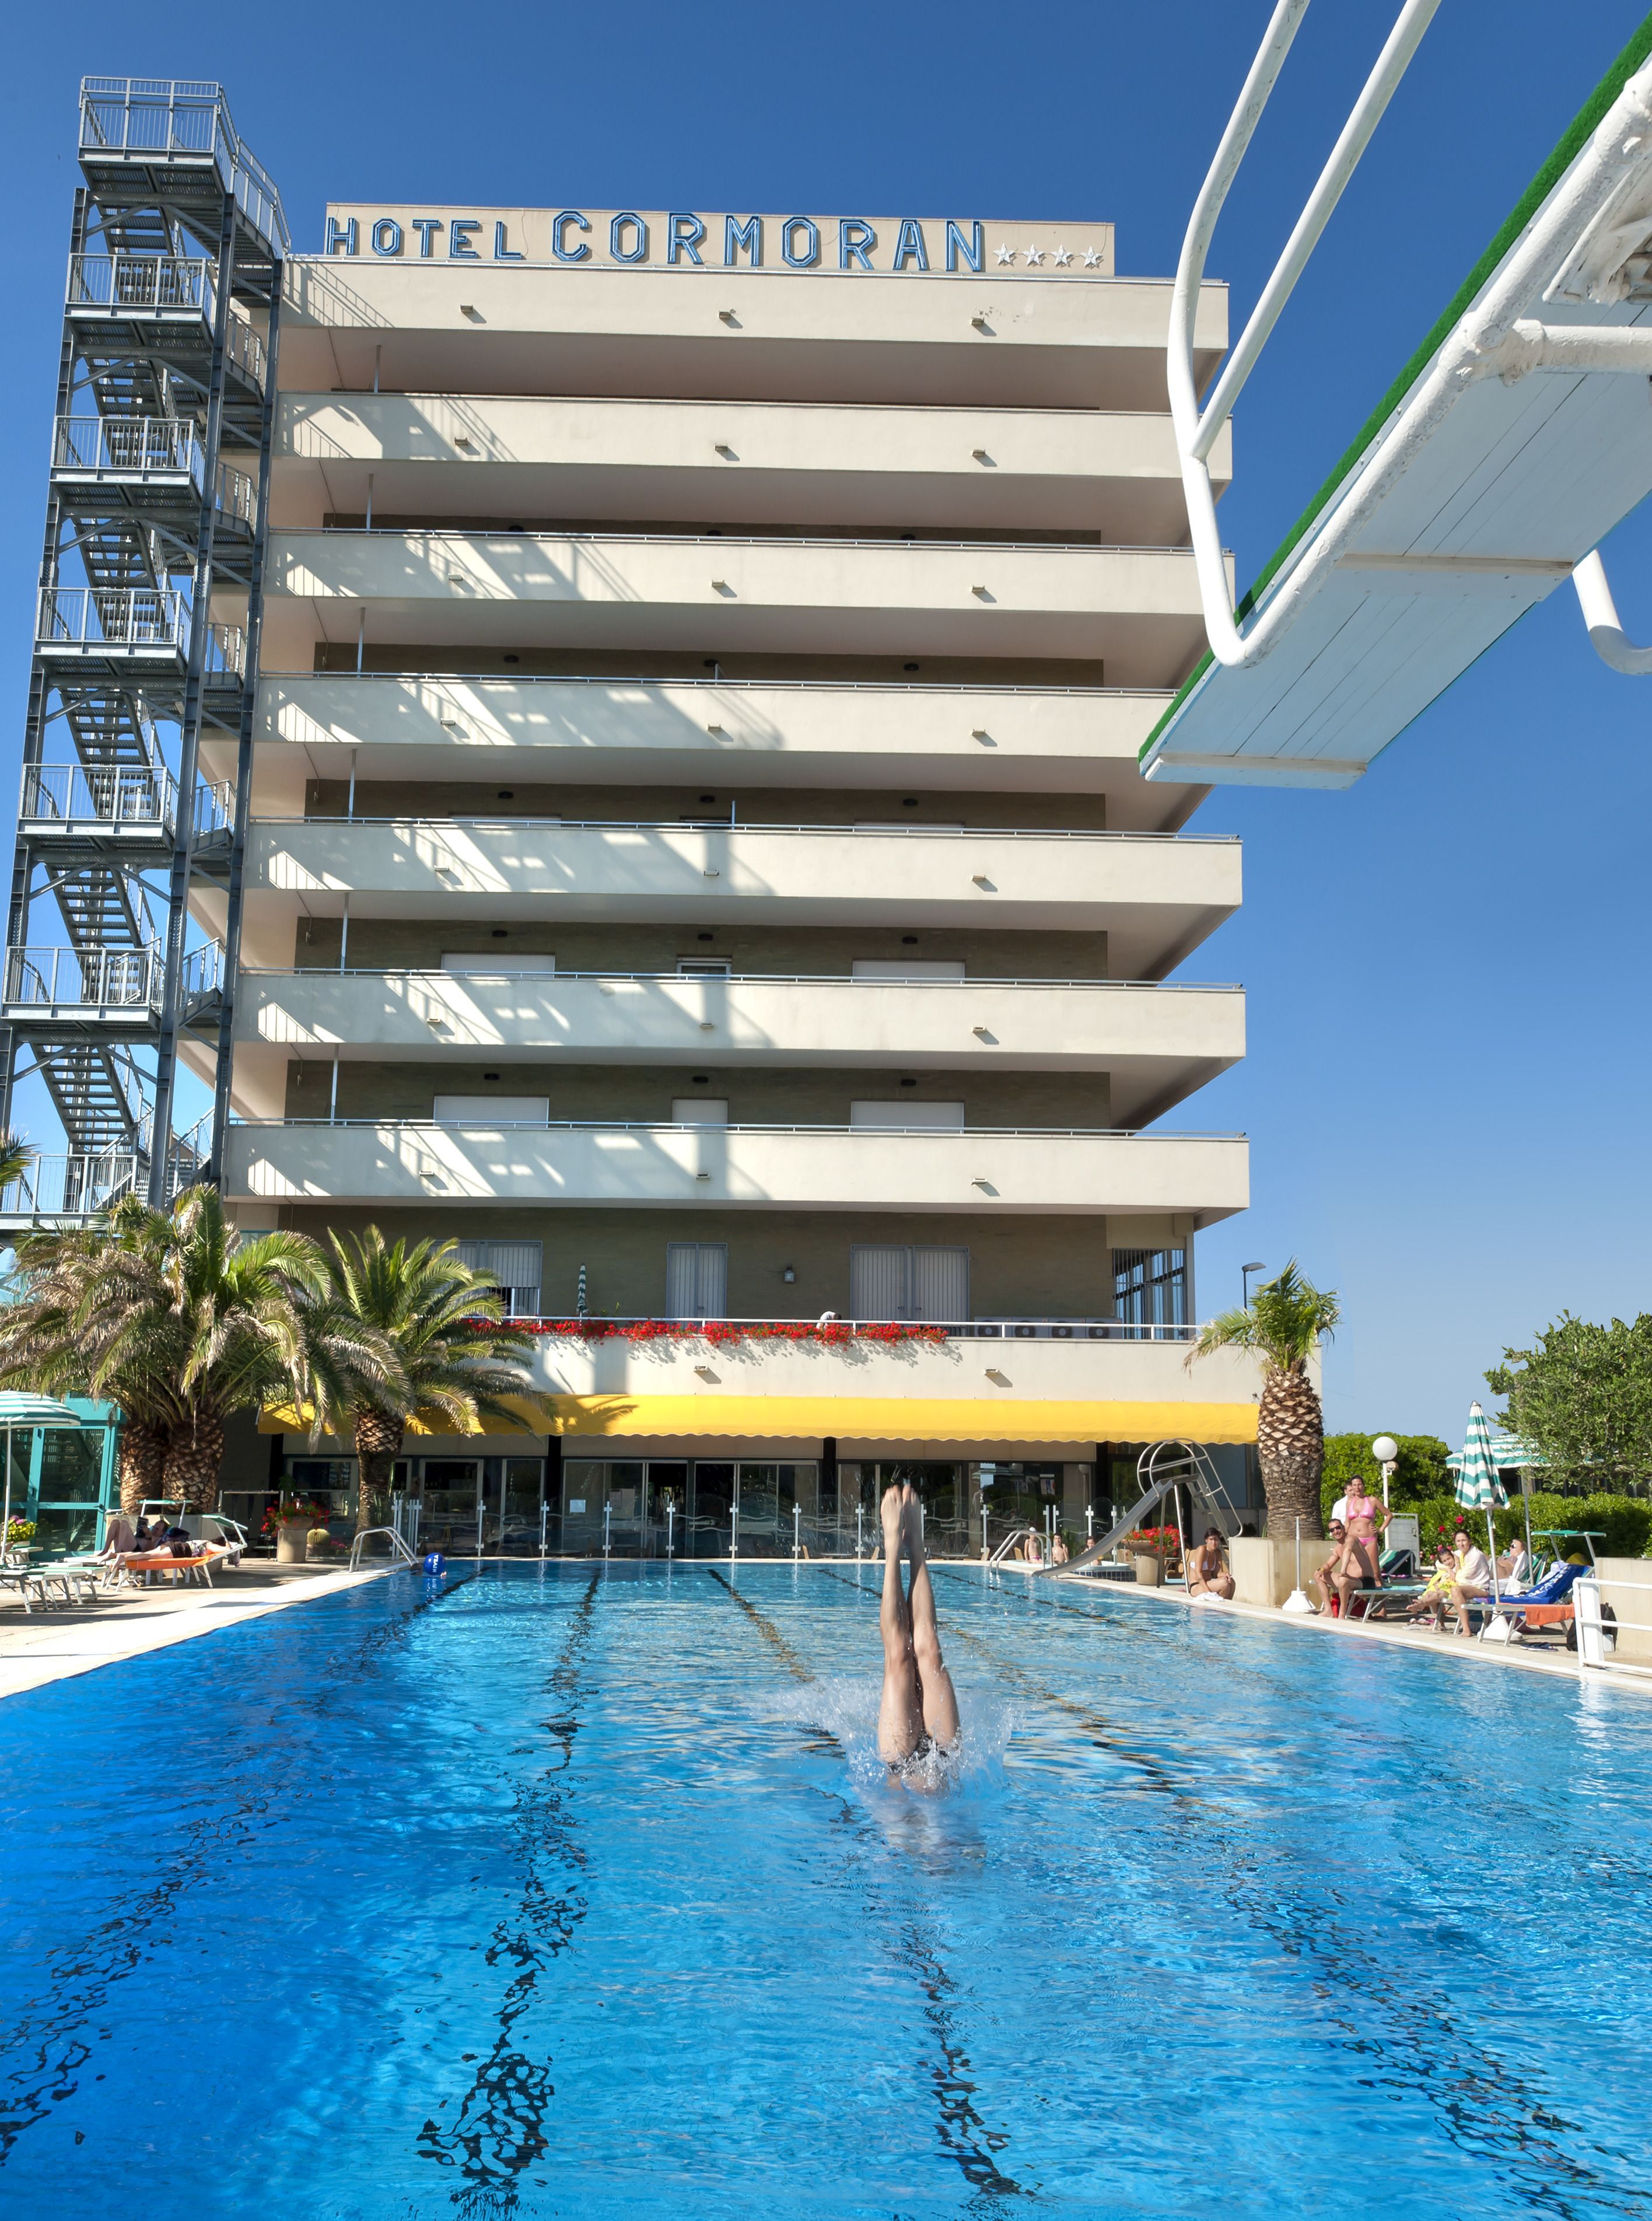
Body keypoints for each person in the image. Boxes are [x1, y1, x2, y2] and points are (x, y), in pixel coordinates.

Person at [877, 1482, 961, 1783]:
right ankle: (911, 1547)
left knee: (899, 1655)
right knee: (927, 1648)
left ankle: (893, 1549)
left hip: (899, 1771)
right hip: (944, 1763)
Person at [1448, 1529, 1493, 1638]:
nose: (1461, 1544)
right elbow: (1439, 1561)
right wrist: (1449, 1569)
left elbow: (1464, 1576)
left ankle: (1466, 1629)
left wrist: (1457, 1565)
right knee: (1440, 1588)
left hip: (1480, 1589)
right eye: (1458, 1541)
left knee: (1455, 1589)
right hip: (1468, 1587)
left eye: (1464, 1540)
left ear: (1470, 1541)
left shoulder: (1475, 1555)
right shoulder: (1461, 1553)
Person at [1340, 1476, 1385, 1573]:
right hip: (1354, 1540)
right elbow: (1347, 1522)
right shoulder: (1349, 1503)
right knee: (1355, 1572)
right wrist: (1343, 1539)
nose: (1357, 1487)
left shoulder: (1372, 1500)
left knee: (1375, 1573)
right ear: (1352, 1487)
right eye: (1355, 1485)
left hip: (1369, 1539)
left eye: (1359, 1485)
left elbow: (1389, 1515)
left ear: (1364, 1486)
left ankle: (1379, 1586)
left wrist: (1381, 1529)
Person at [1186, 1527, 1235, 1600]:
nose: (1214, 1542)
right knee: (1224, 1583)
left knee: (1231, 1582)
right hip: (1197, 1586)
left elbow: (1219, 1573)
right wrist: (1208, 1592)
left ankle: (1223, 1605)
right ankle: (1219, 1604)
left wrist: (1227, 1574)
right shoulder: (1202, 1550)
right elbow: (1198, 1573)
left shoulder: (1218, 1553)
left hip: (1208, 1583)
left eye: (1216, 1540)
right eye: (1211, 1539)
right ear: (1206, 1540)